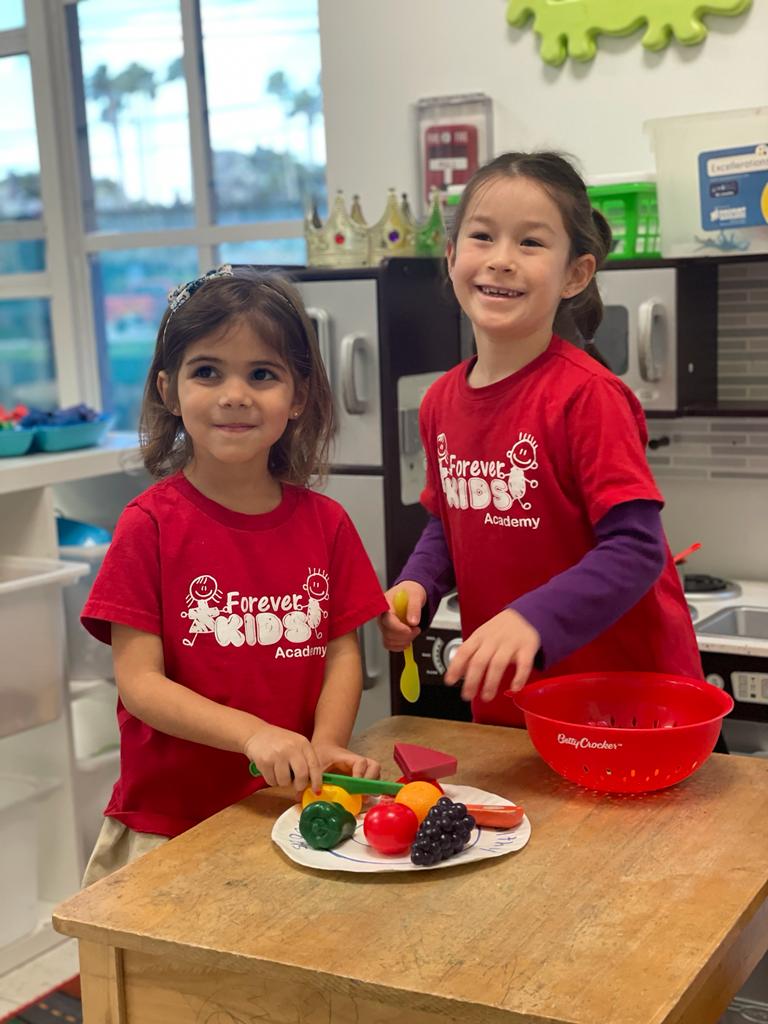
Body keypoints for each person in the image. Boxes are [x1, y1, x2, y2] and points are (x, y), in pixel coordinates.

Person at [80, 265, 387, 885]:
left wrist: (326, 744)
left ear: (298, 396)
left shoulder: (326, 524)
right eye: (207, 371)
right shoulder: (149, 526)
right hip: (169, 825)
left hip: (287, 816)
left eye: (263, 374)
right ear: (169, 389)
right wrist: (253, 735)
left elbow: (340, 652)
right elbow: (140, 683)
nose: (235, 394)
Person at [379, 152, 702, 728]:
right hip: (514, 705)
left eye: (530, 243)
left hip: (622, 708)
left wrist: (530, 619)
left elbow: (636, 550)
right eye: (482, 236)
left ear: (575, 274)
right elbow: (451, 522)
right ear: (453, 258)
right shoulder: (439, 402)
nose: (501, 260)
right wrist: (417, 582)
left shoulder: (588, 397)